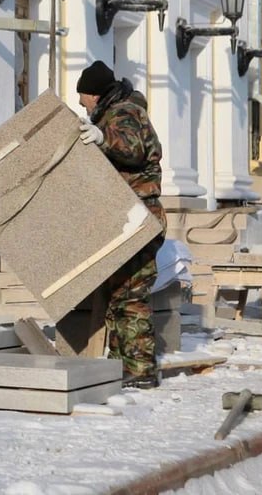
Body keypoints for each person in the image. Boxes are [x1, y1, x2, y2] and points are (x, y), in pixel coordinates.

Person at [76, 60, 167, 389]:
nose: (81, 105)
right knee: (119, 295)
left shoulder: (125, 112)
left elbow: (132, 150)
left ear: (93, 94)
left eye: (82, 97)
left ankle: (141, 369)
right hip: (126, 218)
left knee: (130, 297)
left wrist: (102, 138)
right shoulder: (116, 112)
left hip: (138, 219)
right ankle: (124, 364)